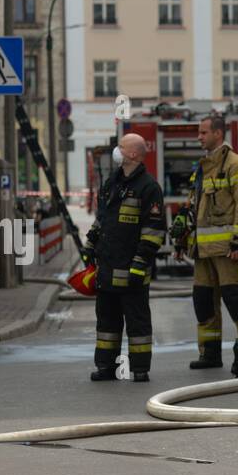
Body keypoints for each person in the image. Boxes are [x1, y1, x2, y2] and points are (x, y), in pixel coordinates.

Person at [176, 114, 238, 370]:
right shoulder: (202, 169)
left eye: (203, 132)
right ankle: (210, 354)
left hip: (229, 251)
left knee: (236, 299)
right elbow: (193, 210)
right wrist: (182, 241)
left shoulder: (236, 165)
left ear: (218, 133)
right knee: (203, 302)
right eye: (199, 132)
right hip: (203, 251)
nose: (199, 137)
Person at [85, 132, 165, 383]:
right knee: (106, 322)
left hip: (132, 269)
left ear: (132, 154)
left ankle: (140, 368)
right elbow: (103, 219)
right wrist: (90, 244)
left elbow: (152, 232)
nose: (116, 151)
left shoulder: (149, 188)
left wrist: (140, 265)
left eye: (121, 147)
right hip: (107, 267)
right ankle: (106, 367)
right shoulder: (112, 183)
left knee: (137, 321)